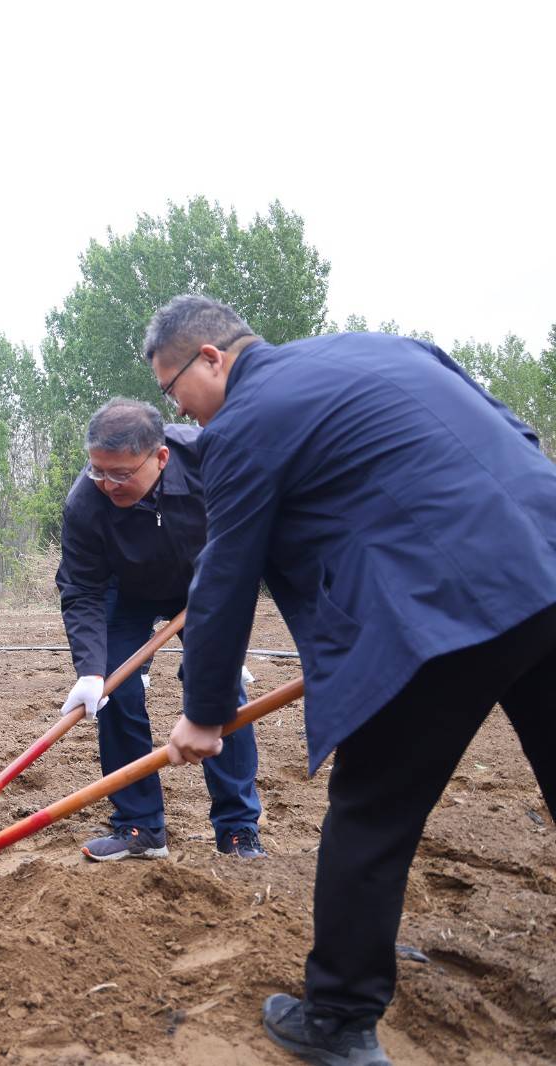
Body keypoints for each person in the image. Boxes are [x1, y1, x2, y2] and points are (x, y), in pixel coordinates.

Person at [146, 295, 556, 1066]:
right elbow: (515, 433)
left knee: (370, 814)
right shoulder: (386, 348)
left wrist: (203, 712)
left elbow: (226, 576)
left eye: (175, 392)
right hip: (545, 558)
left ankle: (337, 1017)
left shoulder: (241, 426)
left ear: (210, 358)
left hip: (442, 612)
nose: (185, 413)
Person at [56, 398, 262, 861]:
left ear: (161, 457)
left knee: (220, 691)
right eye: (98, 471)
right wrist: (90, 671)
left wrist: (228, 644)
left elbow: (251, 535)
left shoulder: (212, 459)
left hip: (201, 585)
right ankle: (139, 827)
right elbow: (81, 588)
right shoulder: (85, 502)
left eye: (121, 473)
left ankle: (237, 829)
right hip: (123, 590)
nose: (108, 484)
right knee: (115, 691)